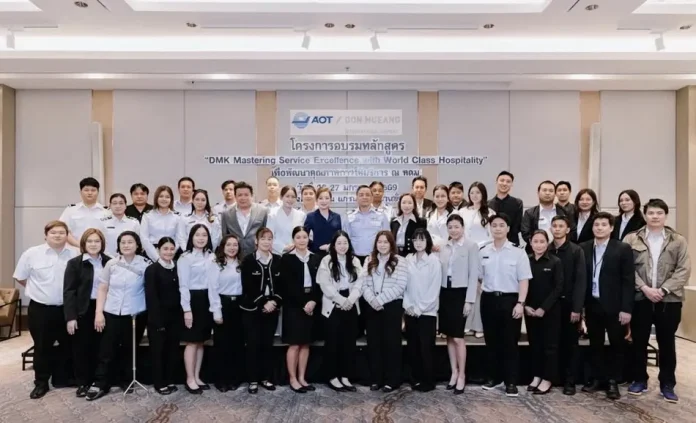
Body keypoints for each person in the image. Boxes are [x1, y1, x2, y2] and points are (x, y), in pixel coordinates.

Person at [624, 199, 691, 403]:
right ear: (645, 215)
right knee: (639, 341)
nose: (655, 216)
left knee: (667, 342)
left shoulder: (678, 240)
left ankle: (667, 384)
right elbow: (626, 268)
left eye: (659, 213)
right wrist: (644, 288)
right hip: (640, 298)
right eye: (651, 213)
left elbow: (684, 270)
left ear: (665, 216)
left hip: (668, 300)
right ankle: (639, 379)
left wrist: (663, 289)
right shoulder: (631, 238)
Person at [14, 220, 78, 399]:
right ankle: (41, 383)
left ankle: (62, 378)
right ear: (46, 235)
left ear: (67, 236)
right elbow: (20, 277)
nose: (58, 235)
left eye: (62, 232)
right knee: (42, 346)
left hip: (67, 309)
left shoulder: (75, 254)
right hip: (41, 309)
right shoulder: (32, 254)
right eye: (53, 232)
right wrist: (38, 291)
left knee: (68, 344)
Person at [86, 231, 150, 401]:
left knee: (130, 348)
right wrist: (99, 313)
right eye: (123, 242)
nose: (126, 245)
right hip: (112, 312)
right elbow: (102, 289)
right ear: (118, 245)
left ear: (137, 245)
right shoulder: (111, 264)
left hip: (135, 313)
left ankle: (127, 380)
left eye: (130, 242)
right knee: (106, 350)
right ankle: (101, 383)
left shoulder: (145, 264)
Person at [580, 212, 635, 400]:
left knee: (616, 344)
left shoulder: (622, 248)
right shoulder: (584, 247)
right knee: (595, 344)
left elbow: (628, 280)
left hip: (615, 306)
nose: (599, 228)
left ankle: (613, 381)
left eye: (604, 224)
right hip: (592, 304)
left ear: (611, 228)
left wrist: (626, 309)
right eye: (596, 224)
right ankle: (597, 378)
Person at [479, 213, 532, 397]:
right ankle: (494, 377)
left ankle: (511, 381)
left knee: (510, 342)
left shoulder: (518, 252)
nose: (498, 228)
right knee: (491, 341)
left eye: (502, 225)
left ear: (508, 228)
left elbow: (524, 280)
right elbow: (478, 277)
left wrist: (520, 303)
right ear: (490, 228)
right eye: (494, 225)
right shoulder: (483, 251)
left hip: (511, 301)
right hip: (488, 300)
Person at [63, 228, 112, 397]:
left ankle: (100, 382)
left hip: (105, 309)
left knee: (103, 348)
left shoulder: (109, 262)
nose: (93, 244)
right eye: (89, 241)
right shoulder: (74, 263)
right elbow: (69, 291)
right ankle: (83, 382)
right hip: (82, 310)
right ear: (83, 243)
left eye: (97, 241)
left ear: (102, 244)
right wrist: (71, 317)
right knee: (82, 348)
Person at [361, 230, 408, 392]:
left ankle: (392, 380)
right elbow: (363, 283)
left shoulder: (400, 261)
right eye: (379, 242)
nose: (382, 245)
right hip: (372, 306)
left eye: (385, 242)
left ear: (391, 244)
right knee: (374, 343)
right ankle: (376, 379)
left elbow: (400, 285)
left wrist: (380, 300)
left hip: (391, 306)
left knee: (391, 344)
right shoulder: (369, 259)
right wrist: (372, 300)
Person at [438, 214, 479, 394]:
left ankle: (462, 375)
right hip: (445, 292)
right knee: (448, 336)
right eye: (450, 227)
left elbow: (473, 274)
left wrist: (469, 300)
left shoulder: (471, 246)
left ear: (463, 228)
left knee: (458, 337)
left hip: (460, 293)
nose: (453, 230)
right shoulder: (444, 246)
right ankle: (453, 372)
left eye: (456, 226)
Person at [317, 231, 363, 392]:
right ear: (333, 245)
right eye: (339, 243)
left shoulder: (355, 260)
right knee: (333, 343)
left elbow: (360, 283)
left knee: (349, 343)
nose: (342, 246)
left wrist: (350, 300)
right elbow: (325, 285)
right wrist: (341, 300)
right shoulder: (327, 261)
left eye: (345, 243)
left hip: (351, 304)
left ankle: (345, 376)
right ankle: (332, 376)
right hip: (333, 305)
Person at [240, 227, 282, 394]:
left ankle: (265, 378)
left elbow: (283, 285)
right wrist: (264, 302)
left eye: (269, 239)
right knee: (253, 345)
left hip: (272, 310)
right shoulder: (248, 260)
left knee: (267, 345)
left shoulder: (278, 260)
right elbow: (248, 287)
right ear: (256, 241)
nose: (266, 242)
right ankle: (252, 380)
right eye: (263, 238)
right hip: (252, 310)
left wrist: (274, 302)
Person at [280, 226, 322, 393]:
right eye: (298, 237)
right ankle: (293, 378)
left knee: (306, 344)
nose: (302, 240)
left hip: (311, 304)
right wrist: (303, 304)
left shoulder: (316, 258)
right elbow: (286, 286)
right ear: (293, 240)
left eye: (304, 237)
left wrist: (313, 301)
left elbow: (320, 283)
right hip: (294, 306)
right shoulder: (286, 259)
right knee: (295, 344)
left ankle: (302, 377)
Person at [549, 215, 586, 395]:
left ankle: (570, 381)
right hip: (550, 306)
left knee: (570, 344)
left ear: (567, 229)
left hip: (569, 305)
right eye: (554, 226)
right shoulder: (546, 248)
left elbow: (580, 281)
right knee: (552, 343)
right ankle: (553, 377)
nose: (557, 229)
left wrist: (577, 308)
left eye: (561, 226)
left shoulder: (576, 250)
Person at [525, 230, 564, 395]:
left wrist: (544, 308)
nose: (539, 245)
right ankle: (537, 375)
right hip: (530, 310)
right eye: (535, 241)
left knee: (550, 346)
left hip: (550, 311)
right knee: (535, 345)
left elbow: (558, 288)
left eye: (542, 241)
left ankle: (548, 378)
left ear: (547, 243)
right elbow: (520, 283)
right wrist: (525, 305)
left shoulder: (555, 261)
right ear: (530, 243)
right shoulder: (525, 260)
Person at [403, 229, 441, 393]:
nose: (418, 243)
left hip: (427, 313)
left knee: (426, 348)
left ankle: (428, 381)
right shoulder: (408, 259)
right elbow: (403, 284)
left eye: (422, 240)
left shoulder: (434, 261)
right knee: (413, 347)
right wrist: (408, 305)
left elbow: (434, 289)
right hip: (410, 311)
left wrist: (420, 308)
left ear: (428, 242)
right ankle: (415, 379)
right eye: (415, 240)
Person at [178, 224, 214, 395]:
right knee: (192, 341)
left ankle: (197, 377)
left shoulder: (212, 256)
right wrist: (187, 309)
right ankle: (189, 378)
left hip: (208, 299)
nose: (201, 238)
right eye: (197, 235)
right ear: (191, 237)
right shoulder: (185, 258)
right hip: (192, 300)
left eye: (204, 235)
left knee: (201, 341)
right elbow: (183, 286)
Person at [144, 237, 181, 395]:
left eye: (172, 249)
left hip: (175, 317)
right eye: (165, 249)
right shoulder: (152, 270)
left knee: (172, 350)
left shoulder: (177, 267)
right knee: (158, 352)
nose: (169, 252)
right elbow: (151, 297)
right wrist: (157, 322)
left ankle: (170, 379)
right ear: (158, 250)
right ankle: (159, 383)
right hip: (158, 319)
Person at [208, 234, 245, 392]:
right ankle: (221, 380)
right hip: (223, 304)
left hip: (239, 306)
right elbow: (212, 289)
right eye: (228, 245)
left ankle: (234, 378)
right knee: (222, 344)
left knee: (236, 344)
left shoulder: (242, 263)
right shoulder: (216, 264)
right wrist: (217, 312)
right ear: (223, 247)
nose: (232, 248)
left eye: (235, 245)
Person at [459, 181, 495, 338]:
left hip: (482, 254)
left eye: (478, 192)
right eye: (472, 192)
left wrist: (480, 247)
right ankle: (467, 324)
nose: (474, 195)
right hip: (465, 254)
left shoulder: (490, 213)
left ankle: (479, 326)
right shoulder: (462, 211)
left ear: (483, 194)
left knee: (480, 289)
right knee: (467, 290)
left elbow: (492, 235)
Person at [220, 181, 269, 259]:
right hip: (235, 257)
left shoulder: (262, 211)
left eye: (246, 195)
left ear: (252, 196)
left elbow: (266, 233)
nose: (243, 198)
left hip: (257, 256)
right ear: (235, 196)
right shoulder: (226, 214)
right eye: (240, 195)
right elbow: (225, 236)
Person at [343, 185, 390, 262]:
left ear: (372, 198)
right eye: (361, 195)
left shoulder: (381, 215)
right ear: (356, 198)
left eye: (367, 195)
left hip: (376, 258)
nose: (364, 197)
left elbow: (387, 238)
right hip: (354, 258)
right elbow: (345, 239)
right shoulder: (349, 216)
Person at [521, 180, 571, 253]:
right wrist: (539, 244)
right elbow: (525, 233)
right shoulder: (529, 213)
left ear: (555, 194)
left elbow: (570, 231)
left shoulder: (564, 212)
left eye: (551, 191)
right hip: (536, 252)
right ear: (538, 193)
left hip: (559, 251)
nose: (547, 193)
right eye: (544, 190)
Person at [59, 177, 106, 248]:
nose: (90, 193)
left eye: (93, 190)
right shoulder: (70, 210)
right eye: (86, 190)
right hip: (76, 250)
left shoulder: (107, 211)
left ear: (98, 192)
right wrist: (78, 245)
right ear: (80, 192)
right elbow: (62, 230)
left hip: (99, 250)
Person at [140, 185, 181, 262]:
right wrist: (157, 257)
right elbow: (144, 239)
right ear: (156, 198)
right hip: (152, 253)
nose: (164, 199)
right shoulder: (147, 216)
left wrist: (170, 253)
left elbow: (179, 238)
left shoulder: (177, 217)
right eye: (161, 196)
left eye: (167, 197)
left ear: (171, 199)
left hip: (171, 253)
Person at [487, 171, 523, 246]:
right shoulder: (487, 204)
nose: (504, 183)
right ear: (496, 182)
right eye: (502, 180)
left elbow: (517, 226)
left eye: (508, 181)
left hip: (511, 243)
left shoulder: (517, 203)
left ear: (512, 184)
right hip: (491, 243)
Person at [267, 186, 306, 255]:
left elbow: (302, 235)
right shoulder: (273, 214)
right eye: (287, 196)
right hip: (277, 253)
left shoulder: (301, 215)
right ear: (281, 197)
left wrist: (295, 245)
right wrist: (284, 247)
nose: (290, 199)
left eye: (293, 197)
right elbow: (269, 236)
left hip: (296, 252)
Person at [99, 193, 140, 257]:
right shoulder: (103, 222)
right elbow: (99, 242)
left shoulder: (134, 222)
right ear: (110, 206)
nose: (118, 206)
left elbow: (138, 243)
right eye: (114, 203)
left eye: (121, 203)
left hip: (129, 258)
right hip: (107, 258)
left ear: (126, 205)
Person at [304, 187, 342, 257]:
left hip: (334, 254)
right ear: (316, 200)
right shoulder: (310, 217)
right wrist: (316, 246)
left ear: (331, 200)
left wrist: (331, 246)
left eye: (327, 198)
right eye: (320, 198)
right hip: (316, 255)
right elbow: (304, 236)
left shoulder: (337, 217)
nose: (324, 201)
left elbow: (340, 236)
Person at [426, 184, 454, 251]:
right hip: (432, 250)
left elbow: (457, 234)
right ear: (433, 198)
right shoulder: (429, 214)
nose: (440, 199)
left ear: (448, 198)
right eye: (437, 196)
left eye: (443, 196)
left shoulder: (454, 214)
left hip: (449, 250)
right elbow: (427, 233)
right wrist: (430, 245)